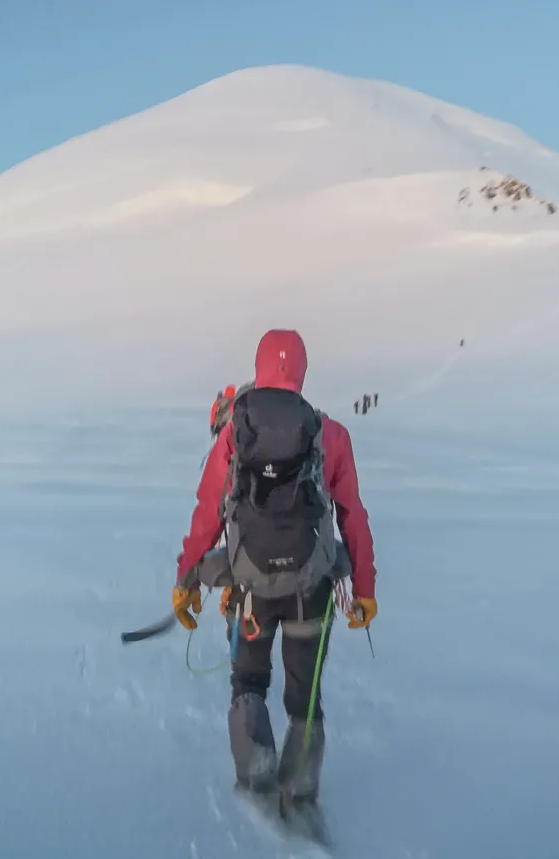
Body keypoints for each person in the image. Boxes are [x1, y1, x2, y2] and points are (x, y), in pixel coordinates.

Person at [171, 329, 377, 816]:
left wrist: (187, 579)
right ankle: (301, 790)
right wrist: (364, 588)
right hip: (313, 587)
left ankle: (255, 775)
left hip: (250, 589)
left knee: (249, 682)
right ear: (301, 371)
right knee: (305, 695)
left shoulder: (234, 432)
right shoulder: (330, 436)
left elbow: (209, 513)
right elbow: (353, 517)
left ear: (260, 367)